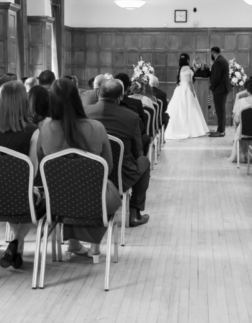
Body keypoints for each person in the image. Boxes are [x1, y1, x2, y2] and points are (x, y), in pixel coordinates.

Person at [38, 78, 122, 258]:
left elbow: (41, 164)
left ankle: (74, 244)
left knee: (68, 187)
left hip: (56, 201)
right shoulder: (96, 127)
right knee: (94, 187)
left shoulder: (43, 128)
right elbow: (107, 166)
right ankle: (94, 246)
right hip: (95, 199)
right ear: (77, 99)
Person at [0, 82, 40, 269]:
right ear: (24, 102)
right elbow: (32, 171)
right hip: (23, 197)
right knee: (34, 199)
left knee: (14, 202)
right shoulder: (32, 130)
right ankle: (17, 243)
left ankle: (16, 246)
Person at [85, 80, 150, 227]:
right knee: (144, 161)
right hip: (120, 176)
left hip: (88, 174)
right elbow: (137, 151)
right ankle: (134, 213)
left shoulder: (85, 112)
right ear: (121, 97)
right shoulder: (131, 117)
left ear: (97, 93)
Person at [165, 53, 210, 140]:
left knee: (180, 109)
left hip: (180, 88)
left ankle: (177, 128)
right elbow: (189, 82)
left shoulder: (180, 68)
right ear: (188, 60)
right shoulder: (187, 68)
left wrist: (195, 69)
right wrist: (192, 91)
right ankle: (191, 129)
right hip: (186, 89)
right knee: (189, 108)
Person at [228, 79, 252, 163]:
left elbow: (237, 119)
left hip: (244, 131)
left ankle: (242, 155)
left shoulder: (240, 102)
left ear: (247, 90)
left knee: (238, 125)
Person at [209, 46, 231, 137]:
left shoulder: (218, 61)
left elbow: (216, 77)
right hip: (223, 88)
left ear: (213, 53)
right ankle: (221, 129)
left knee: (220, 110)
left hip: (219, 89)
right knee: (221, 110)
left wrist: (211, 86)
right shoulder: (223, 60)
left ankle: (221, 131)